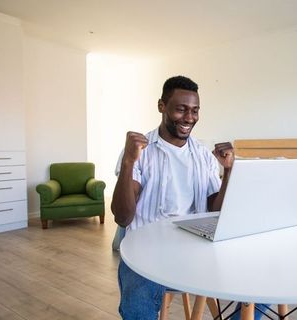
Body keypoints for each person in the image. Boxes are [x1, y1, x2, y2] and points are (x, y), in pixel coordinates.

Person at [111, 75, 268, 319]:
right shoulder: (140, 151)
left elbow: (216, 210)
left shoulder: (202, 155)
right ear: (161, 106)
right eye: (181, 109)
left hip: (197, 249)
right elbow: (123, 217)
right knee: (137, 308)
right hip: (147, 251)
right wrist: (128, 162)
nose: (189, 118)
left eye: (195, 111)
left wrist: (228, 171)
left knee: (264, 279)